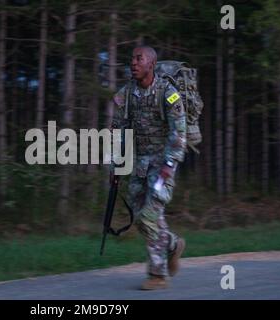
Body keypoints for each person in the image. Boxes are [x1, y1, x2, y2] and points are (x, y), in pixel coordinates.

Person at [111, 46, 187, 290]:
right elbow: (118, 131)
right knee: (140, 217)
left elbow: (179, 132)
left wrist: (169, 164)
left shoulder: (168, 93)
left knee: (149, 215)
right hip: (139, 165)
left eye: (138, 58)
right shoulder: (126, 94)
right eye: (131, 58)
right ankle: (173, 244)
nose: (133, 63)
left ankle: (158, 274)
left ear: (151, 63)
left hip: (162, 164)